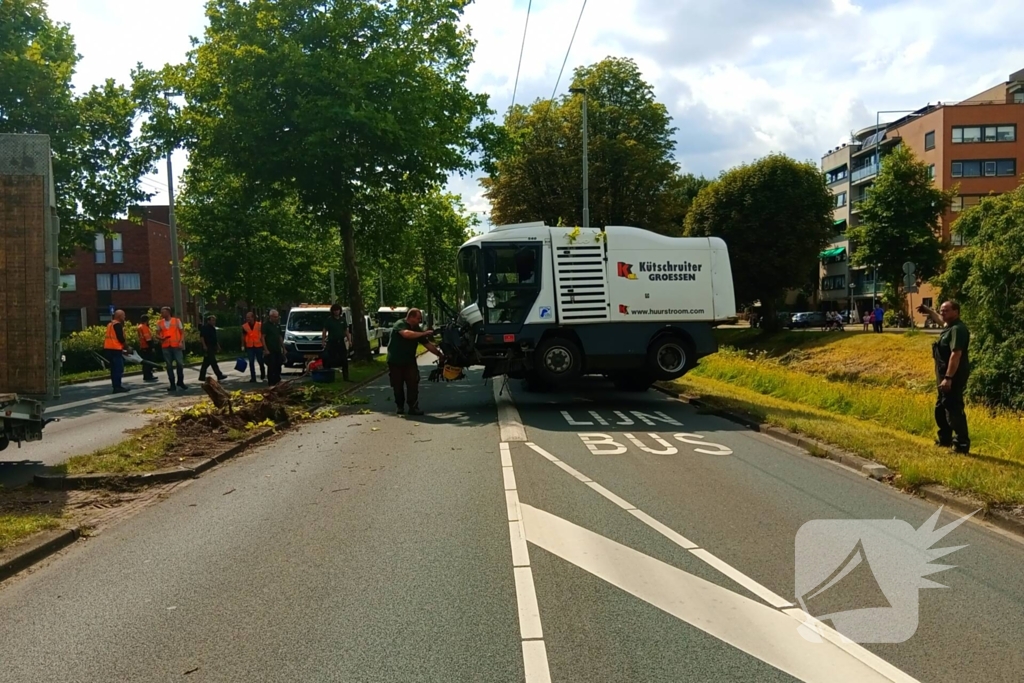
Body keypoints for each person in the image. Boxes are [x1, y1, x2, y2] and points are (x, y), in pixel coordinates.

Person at [918, 301, 971, 454]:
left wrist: (948, 377)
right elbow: (941, 320)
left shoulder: (958, 329)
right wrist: (928, 311)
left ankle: (961, 444)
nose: (942, 313)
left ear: (956, 311)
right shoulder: (949, 327)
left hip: (952, 376)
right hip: (943, 375)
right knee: (941, 408)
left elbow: (956, 354)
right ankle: (945, 439)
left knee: (953, 408)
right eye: (941, 310)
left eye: (946, 310)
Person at [387, 308, 443, 415]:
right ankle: (400, 406)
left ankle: (413, 407)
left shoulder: (417, 329)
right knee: (397, 385)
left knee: (413, 383)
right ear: (411, 317)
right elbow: (406, 334)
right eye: (418, 318)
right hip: (395, 361)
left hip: (409, 361)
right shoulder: (400, 324)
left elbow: (427, 345)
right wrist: (423, 333)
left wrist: (440, 355)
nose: (419, 321)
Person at [157, 306, 187, 393]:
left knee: (179, 363)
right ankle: (172, 384)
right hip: (166, 346)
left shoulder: (176, 321)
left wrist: (181, 342)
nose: (162, 314)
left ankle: (180, 382)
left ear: (168, 312)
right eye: (161, 312)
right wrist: (161, 338)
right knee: (169, 366)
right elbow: (157, 334)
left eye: (163, 312)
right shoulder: (159, 323)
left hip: (176, 346)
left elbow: (182, 332)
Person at [321, 303, 352, 381]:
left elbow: (346, 330)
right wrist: (323, 341)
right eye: (335, 310)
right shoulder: (329, 320)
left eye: (337, 310)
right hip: (332, 342)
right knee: (329, 359)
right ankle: (328, 377)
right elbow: (324, 331)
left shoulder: (342, 320)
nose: (336, 312)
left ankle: (346, 377)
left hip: (341, 342)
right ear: (332, 311)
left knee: (344, 359)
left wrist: (349, 340)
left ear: (340, 311)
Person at [103, 309, 131, 394]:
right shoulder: (117, 325)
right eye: (123, 316)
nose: (124, 317)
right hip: (115, 350)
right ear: (119, 316)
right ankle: (118, 387)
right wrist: (127, 347)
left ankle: (115, 386)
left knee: (114, 369)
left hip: (108, 349)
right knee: (119, 368)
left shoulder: (110, 324)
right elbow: (120, 338)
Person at [198, 314, 228, 382]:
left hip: (212, 346)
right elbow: (202, 337)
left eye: (214, 320)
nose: (214, 322)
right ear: (208, 321)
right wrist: (204, 345)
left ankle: (201, 376)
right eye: (212, 320)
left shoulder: (213, 328)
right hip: (207, 346)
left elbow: (214, 339)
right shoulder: (204, 328)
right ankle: (219, 375)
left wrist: (217, 346)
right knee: (213, 362)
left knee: (206, 363)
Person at [262, 309, 284, 387]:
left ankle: (278, 380)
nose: (276, 318)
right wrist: (266, 349)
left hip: (277, 349)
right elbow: (263, 337)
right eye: (275, 317)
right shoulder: (266, 325)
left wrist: (283, 348)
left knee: (278, 365)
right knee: (271, 366)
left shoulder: (277, 325)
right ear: (270, 317)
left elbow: (280, 337)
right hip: (270, 350)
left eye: (277, 317)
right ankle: (271, 382)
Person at [241, 312, 265, 383]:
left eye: (249, 317)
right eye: (247, 317)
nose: (247, 319)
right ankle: (253, 378)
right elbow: (243, 336)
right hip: (250, 346)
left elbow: (262, 335)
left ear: (253, 317)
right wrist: (242, 345)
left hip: (259, 345)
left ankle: (263, 374)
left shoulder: (259, 325)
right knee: (251, 362)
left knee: (260, 361)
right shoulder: (244, 326)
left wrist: (264, 345)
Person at [136, 315, 160, 382]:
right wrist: (152, 347)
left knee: (145, 362)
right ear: (147, 320)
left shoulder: (139, 327)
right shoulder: (144, 327)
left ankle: (146, 375)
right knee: (149, 362)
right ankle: (148, 375)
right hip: (147, 347)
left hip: (142, 346)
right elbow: (148, 339)